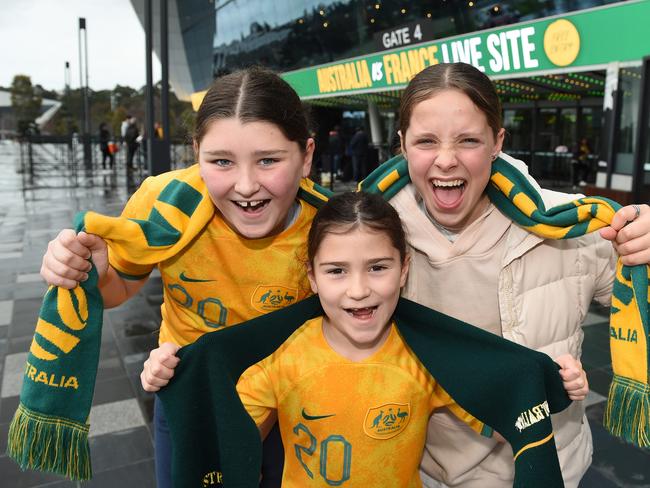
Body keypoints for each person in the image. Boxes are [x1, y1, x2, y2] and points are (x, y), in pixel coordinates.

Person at [148, 192, 588, 486]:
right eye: (337, 271)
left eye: (377, 267)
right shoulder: (282, 357)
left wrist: (553, 383)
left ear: (404, 270)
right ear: (312, 278)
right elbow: (225, 427)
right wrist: (170, 374)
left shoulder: (426, 358)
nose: (359, 289)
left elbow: (500, 398)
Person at [364, 62, 650, 488]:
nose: (446, 160)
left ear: (497, 142)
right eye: (426, 141)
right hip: (427, 476)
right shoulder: (365, 239)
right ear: (402, 145)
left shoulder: (571, 223)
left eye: (468, 140)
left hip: (558, 468)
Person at [39, 66, 325, 488]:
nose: (246, 185)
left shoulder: (331, 229)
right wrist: (91, 274)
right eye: (221, 162)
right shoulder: (166, 203)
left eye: (268, 160)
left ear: (307, 157)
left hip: (291, 411)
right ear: (196, 153)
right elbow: (120, 287)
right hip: (188, 399)